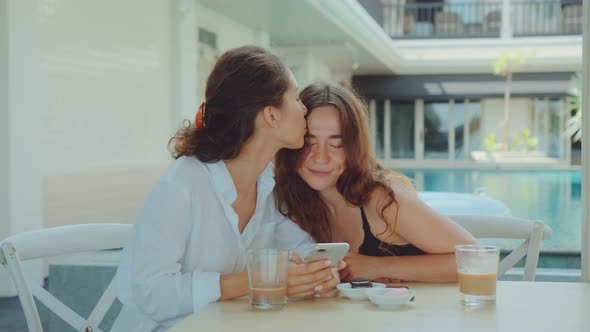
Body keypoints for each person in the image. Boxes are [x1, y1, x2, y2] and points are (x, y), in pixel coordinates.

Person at [112, 47, 342, 332]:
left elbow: (299, 248)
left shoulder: (267, 184)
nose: (304, 108)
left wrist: (317, 274)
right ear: (271, 115)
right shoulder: (183, 184)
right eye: (296, 98)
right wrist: (258, 279)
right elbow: (153, 294)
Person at [274, 81, 477, 284]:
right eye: (310, 142)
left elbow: (476, 259)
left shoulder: (382, 199)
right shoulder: (297, 200)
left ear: (354, 148)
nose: (320, 157)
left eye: (337, 144)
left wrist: (379, 266)